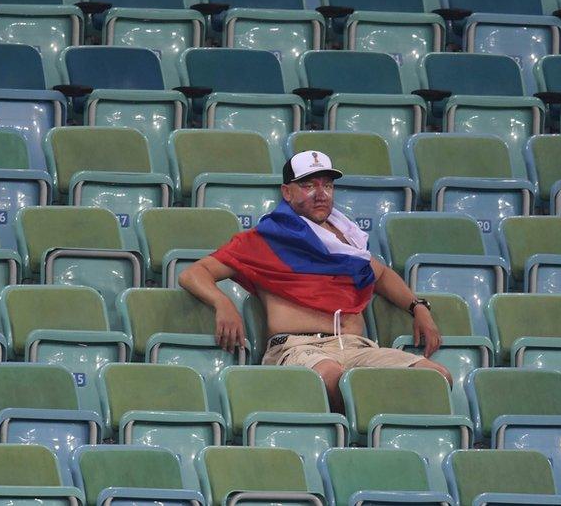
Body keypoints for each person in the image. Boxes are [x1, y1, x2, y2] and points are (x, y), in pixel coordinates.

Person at [179, 150, 451, 411]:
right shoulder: (265, 240)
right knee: (334, 380)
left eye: (328, 186)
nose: (321, 195)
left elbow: (381, 274)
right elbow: (193, 273)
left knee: (436, 377)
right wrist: (222, 302)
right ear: (287, 192)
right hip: (300, 347)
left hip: (357, 347)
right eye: (309, 185)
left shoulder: (345, 242)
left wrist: (419, 308)